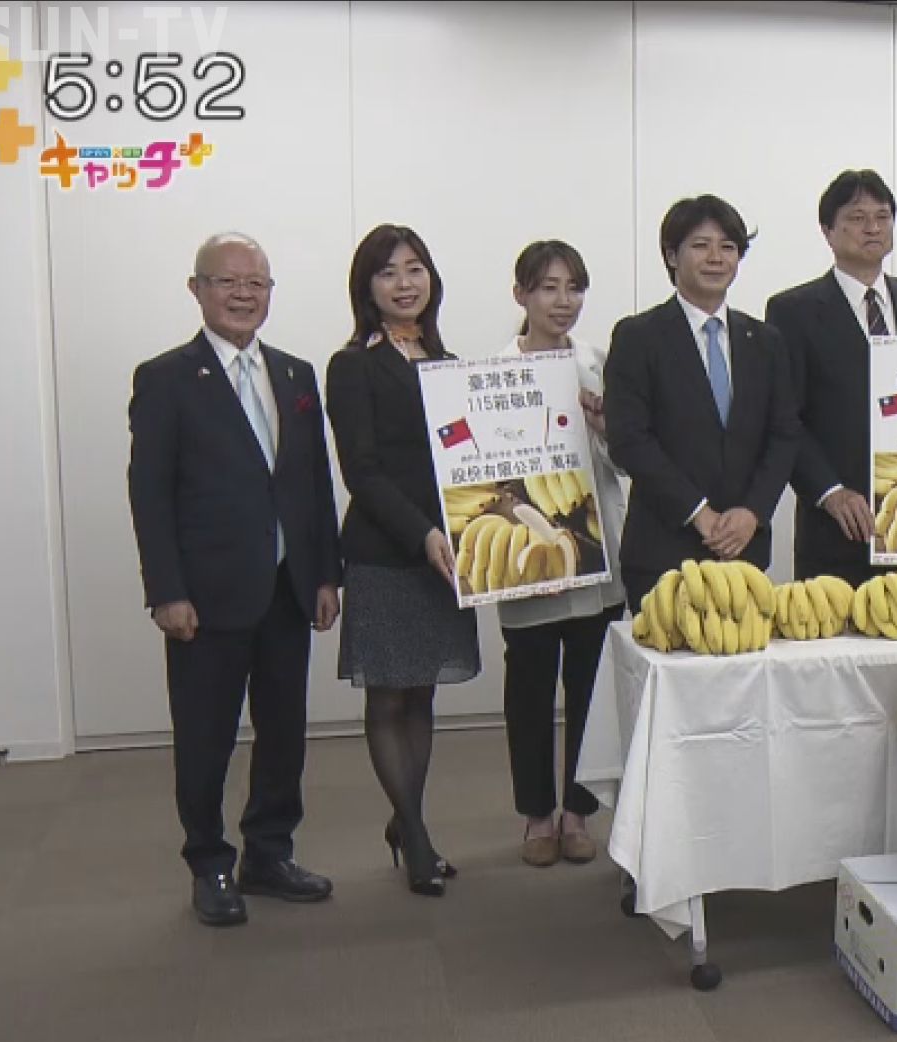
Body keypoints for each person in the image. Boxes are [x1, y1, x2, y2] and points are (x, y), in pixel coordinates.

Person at [127, 232, 341, 927]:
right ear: (197, 290)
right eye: (227, 281)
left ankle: (269, 854)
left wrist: (325, 574)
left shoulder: (295, 375)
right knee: (206, 738)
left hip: (286, 588)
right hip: (205, 596)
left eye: (257, 283)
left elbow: (313, 484)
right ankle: (209, 863)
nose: (244, 294)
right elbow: (150, 493)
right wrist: (166, 590)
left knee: (283, 733)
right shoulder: (166, 379)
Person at [325, 224, 480, 895]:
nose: (404, 282)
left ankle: (406, 819)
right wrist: (422, 533)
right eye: (388, 272)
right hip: (386, 552)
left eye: (415, 268)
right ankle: (415, 835)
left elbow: (469, 458)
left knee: (422, 693)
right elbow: (361, 471)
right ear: (367, 287)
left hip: (445, 554)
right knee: (389, 694)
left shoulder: (450, 363)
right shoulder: (352, 365)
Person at [492, 240, 627, 867]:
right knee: (528, 688)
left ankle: (577, 813)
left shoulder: (600, 365)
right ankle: (535, 815)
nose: (563, 301)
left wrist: (605, 428)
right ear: (521, 294)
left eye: (574, 287)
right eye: (548, 287)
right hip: (527, 554)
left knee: (590, 689)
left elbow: (630, 461)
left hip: (598, 553)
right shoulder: (492, 376)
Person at [604, 194, 802, 606]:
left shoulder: (765, 341)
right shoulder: (638, 337)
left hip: (744, 550)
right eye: (700, 245)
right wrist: (699, 513)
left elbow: (784, 435)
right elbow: (629, 441)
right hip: (662, 552)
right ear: (671, 255)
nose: (716, 258)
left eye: (727, 247)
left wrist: (753, 513)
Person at [767, 169, 897, 585]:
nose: (872, 228)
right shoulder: (792, 311)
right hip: (835, 524)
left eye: (883, 216)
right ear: (827, 231)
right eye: (857, 218)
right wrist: (829, 492)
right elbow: (785, 419)